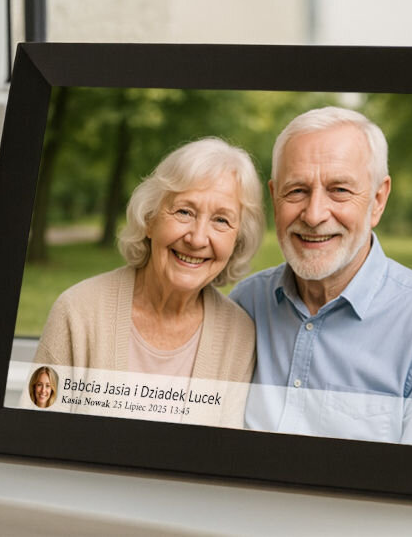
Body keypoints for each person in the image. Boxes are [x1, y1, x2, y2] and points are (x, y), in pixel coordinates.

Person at [230, 107, 412, 449]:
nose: (314, 215)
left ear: (378, 200)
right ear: (274, 197)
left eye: (339, 190)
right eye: (297, 190)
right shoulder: (245, 305)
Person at [33, 138, 264, 424]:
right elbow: (34, 433)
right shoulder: (78, 311)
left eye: (221, 220)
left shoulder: (238, 335)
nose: (197, 238)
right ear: (150, 219)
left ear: (237, 240)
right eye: (184, 212)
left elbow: (222, 455)